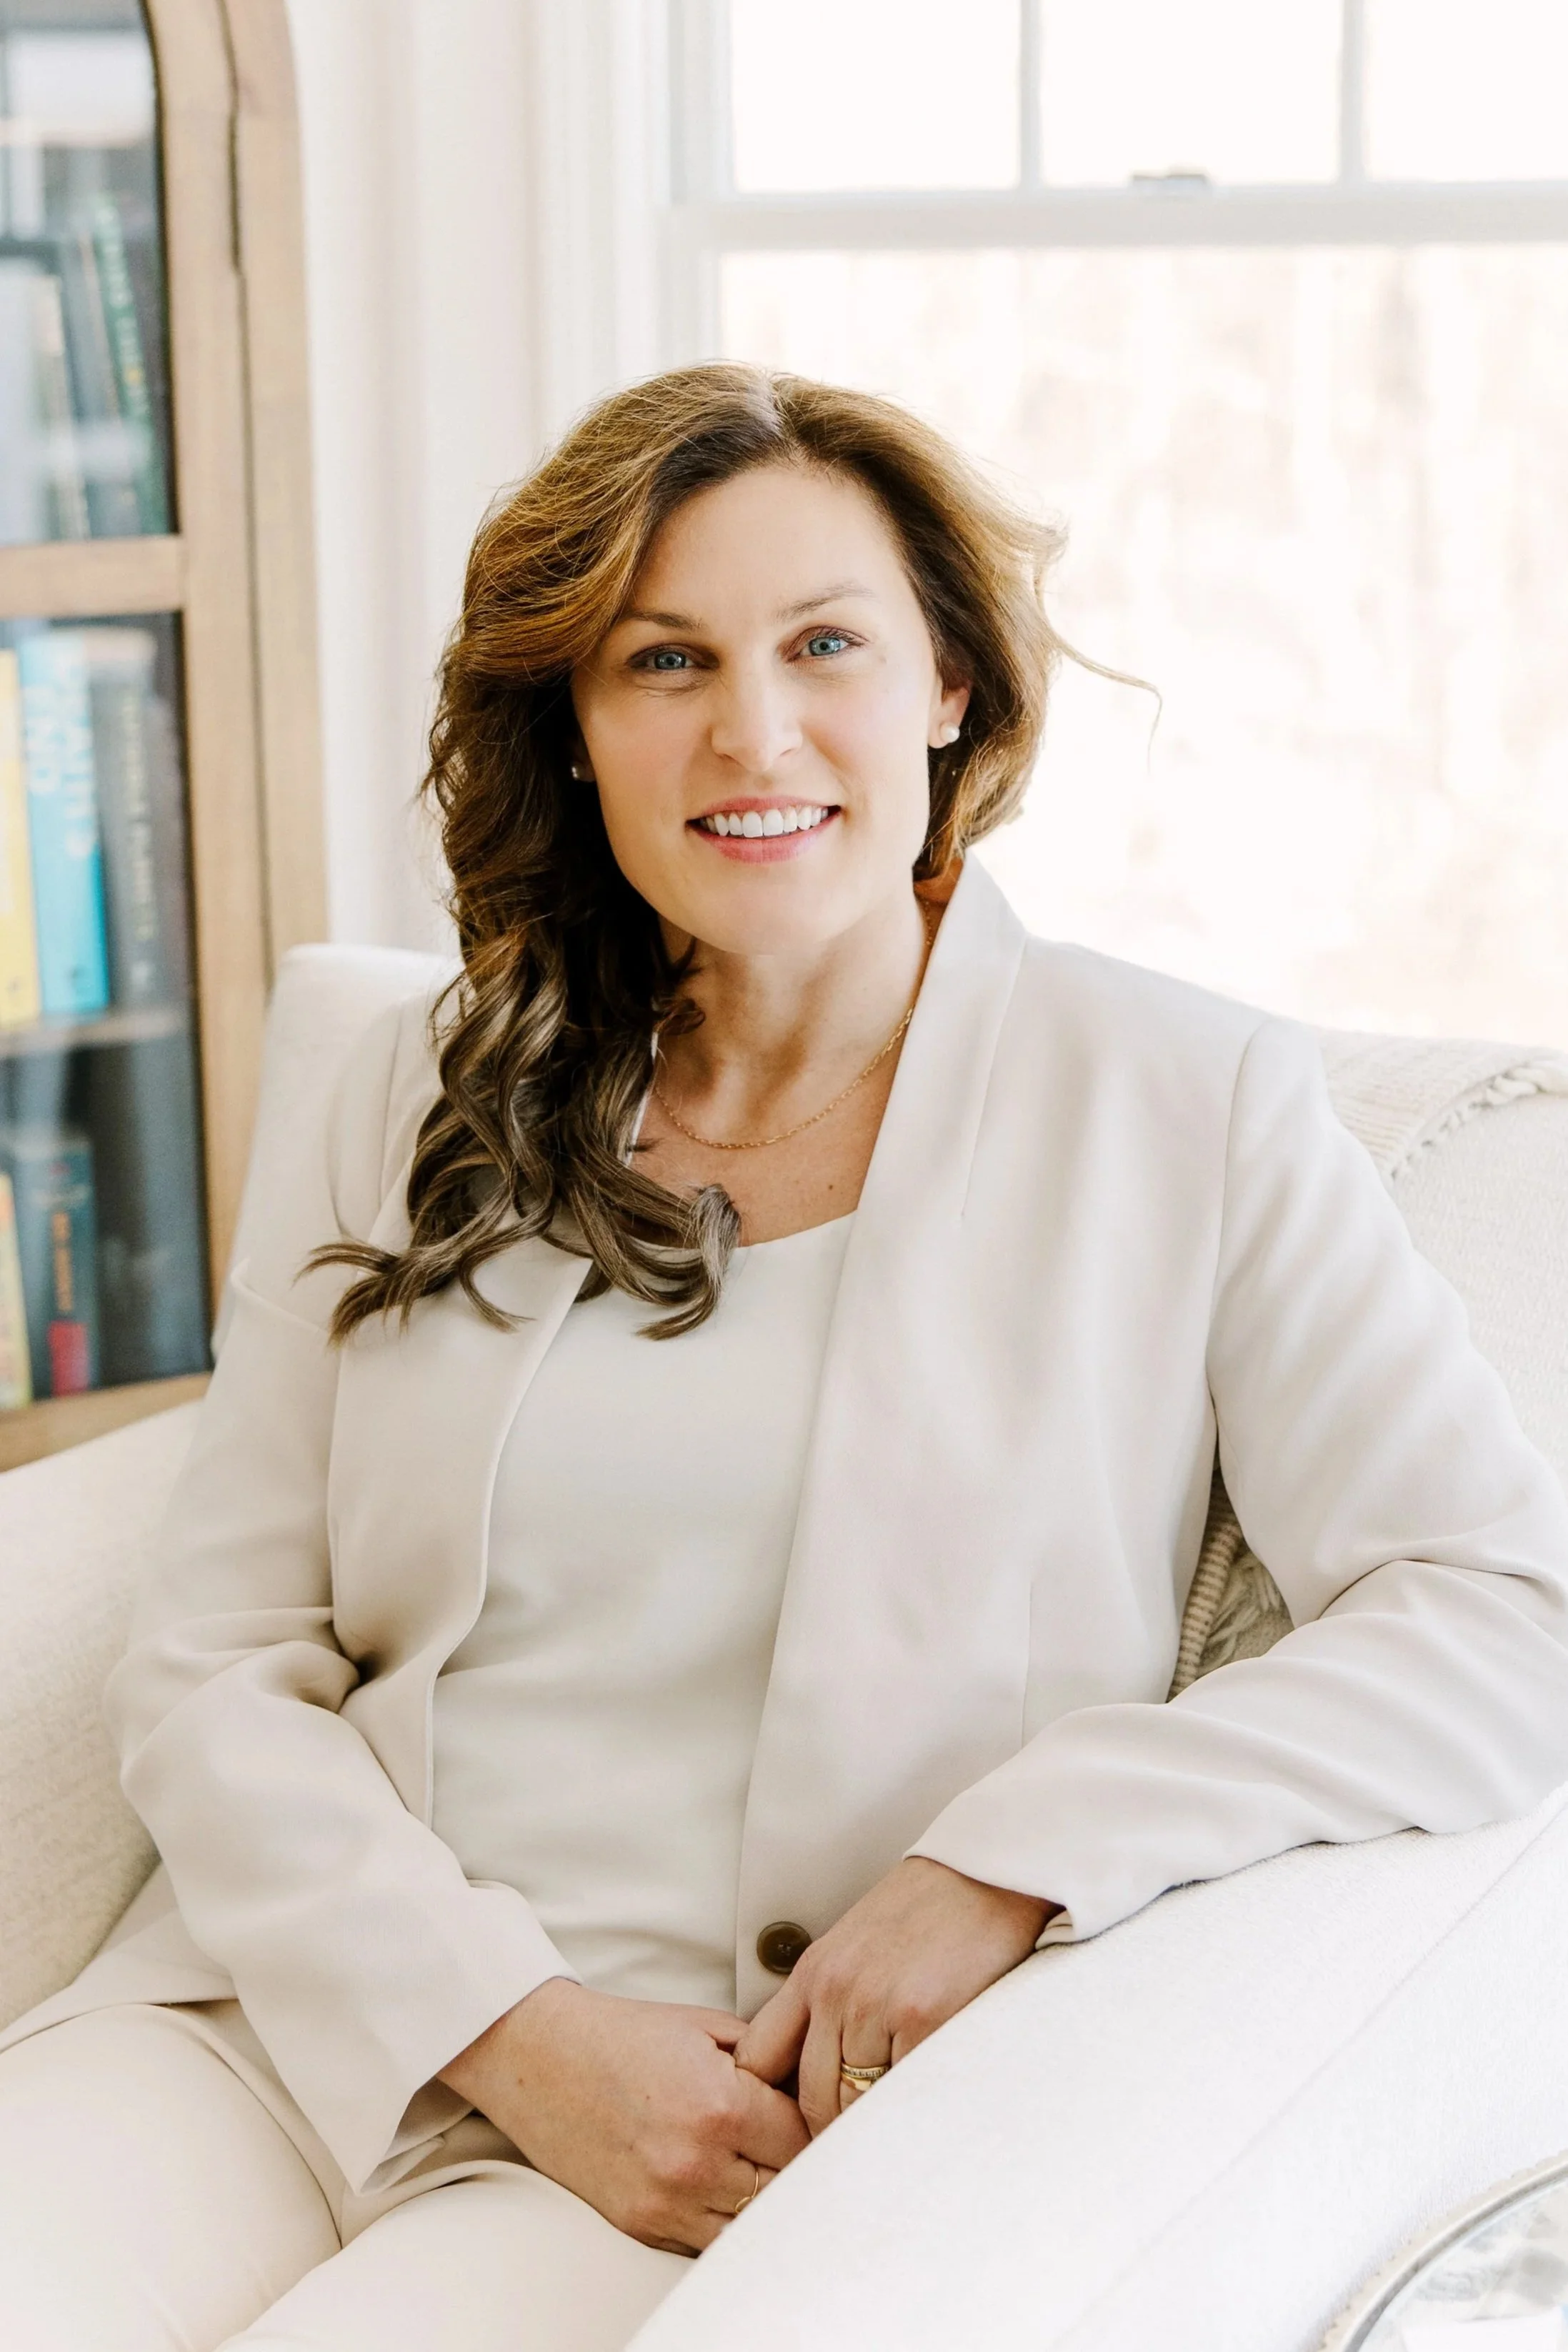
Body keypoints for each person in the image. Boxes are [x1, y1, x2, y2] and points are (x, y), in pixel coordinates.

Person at [3, 364, 1567, 2352]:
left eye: (826, 643)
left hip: (722, 2105)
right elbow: (218, 1658)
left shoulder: (1182, 1101)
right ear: (574, 726)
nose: (753, 731)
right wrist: (502, 2022)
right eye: (664, 660)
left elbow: (1499, 1611)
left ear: (949, 686)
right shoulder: (423, 1081)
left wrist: (1009, 1859)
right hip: (287, 2022)